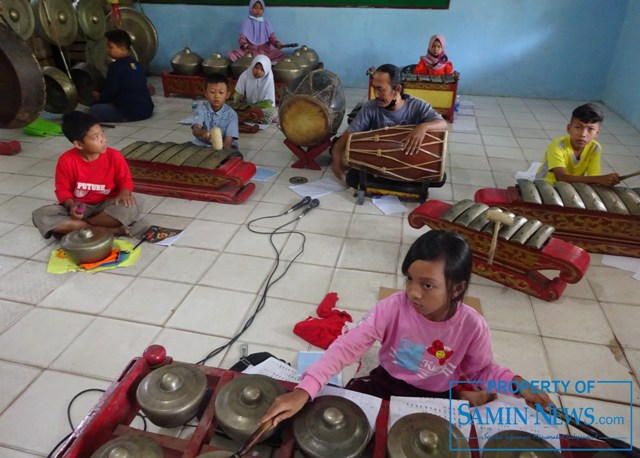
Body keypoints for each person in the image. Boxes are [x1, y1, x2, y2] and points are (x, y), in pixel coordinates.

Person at [262, 230, 553, 427]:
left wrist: (516, 384)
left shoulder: (471, 325)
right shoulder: (393, 307)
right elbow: (346, 348)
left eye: (427, 285)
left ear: (457, 288)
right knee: (344, 419)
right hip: (387, 380)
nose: (414, 293)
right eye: (409, 279)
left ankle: (472, 397)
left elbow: (482, 370)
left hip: (437, 395)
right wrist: (305, 389)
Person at [32, 111, 141, 239]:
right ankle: (110, 231)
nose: (103, 139)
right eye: (95, 137)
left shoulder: (114, 156)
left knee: (133, 205)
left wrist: (124, 193)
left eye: (102, 133)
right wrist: (71, 206)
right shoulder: (66, 160)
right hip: (80, 207)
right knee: (40, 215)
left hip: (107, 205)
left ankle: (77, 228)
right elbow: (62, 189)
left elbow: (125, 180)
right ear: (79, 144)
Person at [331, 63, 448, 179]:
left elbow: (443, 124)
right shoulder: (371, 107)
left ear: (397, 89)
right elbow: (350, 133)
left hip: (409, 162)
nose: (376, 94)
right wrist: (337, 154)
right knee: (353, 177)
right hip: (381, 164)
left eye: (380, 90)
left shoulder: (417, 106)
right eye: (374, 88)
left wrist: (423, 127)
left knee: (440, 178)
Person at [535, 103, 620, 186]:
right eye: (578, 127)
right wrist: (599, 179)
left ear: (597, 133)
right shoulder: (558, 146)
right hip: (546, 185)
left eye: (590, 129)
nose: (583, 134)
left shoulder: (595, 148)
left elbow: (593, 176)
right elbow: (561, 178)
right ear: (569, 128)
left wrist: (605, 181)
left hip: (571, 186)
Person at [90, 29, 154, 123]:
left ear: (122, 49)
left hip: (130, 112)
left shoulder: (115, 67)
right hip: (147, 110)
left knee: (94, 110)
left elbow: (109, 93)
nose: (107, 50)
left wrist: (99, 97)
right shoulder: (135, 64)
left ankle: (123, 117)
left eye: (110, 47)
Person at [192, 73, 239, 150]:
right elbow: (195, 129)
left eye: (221, 92)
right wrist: (203, 132)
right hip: (202, 145)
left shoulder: (232, 115)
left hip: (224, 146)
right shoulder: (201, 109)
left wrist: (223, 155)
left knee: (235, 156)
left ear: (227, 95)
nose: (216, 96)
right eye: (212, 92)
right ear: (206, 93)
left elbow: (228, 139)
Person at [230, 54, 278, 125]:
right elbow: (237, 94)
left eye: (262, 69)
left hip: (261, 108)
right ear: (252, 66)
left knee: (272, 112)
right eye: (256, 68)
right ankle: (249, 117)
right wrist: (239, 97)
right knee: (230, 107)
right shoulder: (245, 75)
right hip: (246, 106)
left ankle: (246, 117)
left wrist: (254, 107)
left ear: (267, 70)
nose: (258, 71)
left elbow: (268, 103)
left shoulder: (269, 79)